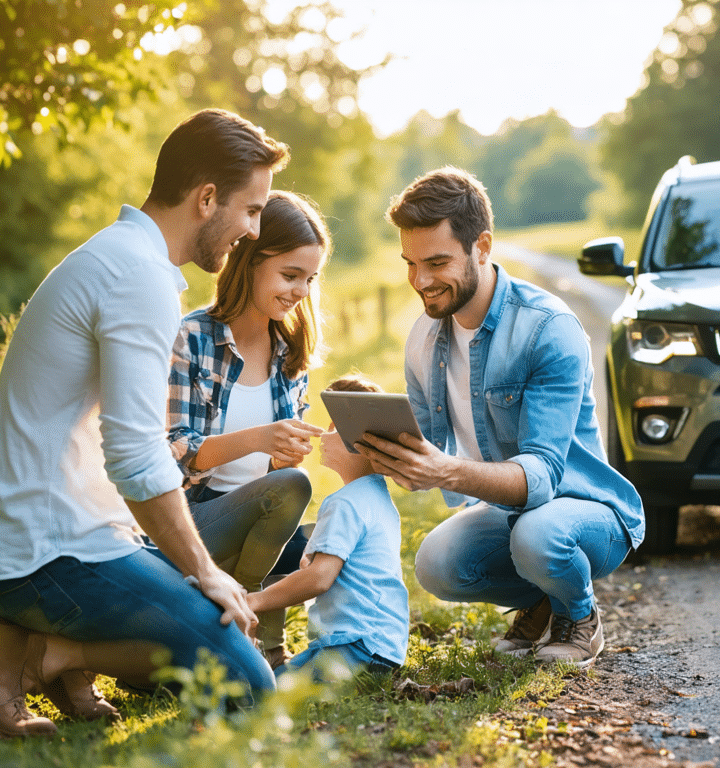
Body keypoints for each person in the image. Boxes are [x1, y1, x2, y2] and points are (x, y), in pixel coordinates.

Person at [0, 108, 288, 737]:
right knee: (246, 684)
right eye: (251, 209)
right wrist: (203, 572)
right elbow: (134, 454)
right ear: (206, 198)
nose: (252, 229)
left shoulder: (122, 256)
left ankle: (32, 657)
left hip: (50, 535)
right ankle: (19, 659)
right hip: (40, 552)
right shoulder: (138, 275)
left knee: (196, 630)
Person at [357, 167, 644, 670]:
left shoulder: (547, 329)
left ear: (482, 246)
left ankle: (580, 616)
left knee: (539, 535)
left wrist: (444, 470)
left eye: (437, 262)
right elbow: (427, 445)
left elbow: (541, 479)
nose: (421, 281)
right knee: (438, 564)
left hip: (586, 510)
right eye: (411, 263)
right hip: (514, 514)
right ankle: (542, 600)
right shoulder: (423, 340)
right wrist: (384, 447)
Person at [168, 190, 329, 670]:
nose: (301, 291)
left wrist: (284, 452)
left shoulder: (289, 350)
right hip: (193, 524)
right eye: (289, 275)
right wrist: (262, 438)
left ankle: (256, 636)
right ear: (249, 262)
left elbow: (276, 473)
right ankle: (258, 634)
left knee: (338, 538)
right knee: (289, 489)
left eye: (310, 278)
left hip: (258, 531)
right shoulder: (192, 339)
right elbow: (175, 450)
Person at [246, 373, 409, 681]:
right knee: (279, 678)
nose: (323, 434)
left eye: (333, 428)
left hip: (352, 650)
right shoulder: (378, 498)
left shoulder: (345, 503)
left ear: (360, 445)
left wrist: (252, 601)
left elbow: (319, 578)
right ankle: (277, 659)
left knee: (262, 690)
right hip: (383, 650)